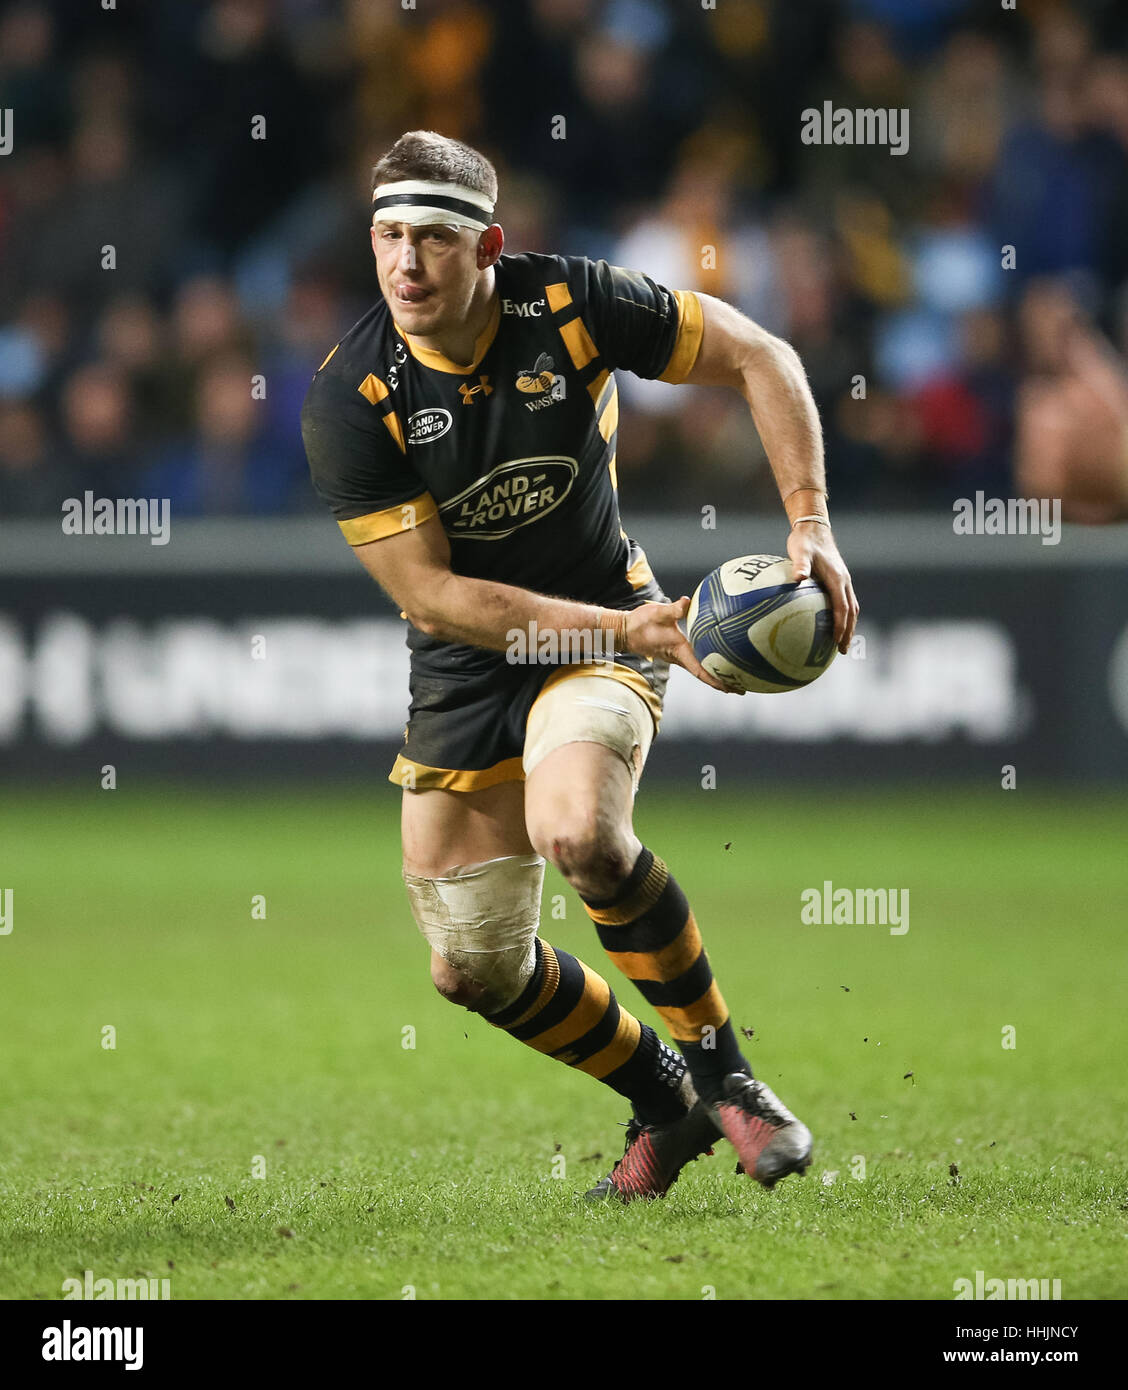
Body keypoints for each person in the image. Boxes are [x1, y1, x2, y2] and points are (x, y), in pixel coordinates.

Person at [301, 131, 859, 1201]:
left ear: (490, 247)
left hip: (603, 620)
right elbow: (435, 597)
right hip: (470, 663)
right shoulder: (352, 395)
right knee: (470, 966)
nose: (405, 263)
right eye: (387, 237)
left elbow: (760, 356)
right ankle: (665, 1098)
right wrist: (628, 632)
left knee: (579, 833)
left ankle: (729, 1079)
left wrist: (810, 524)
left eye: (431, 238)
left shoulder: (571, 303)